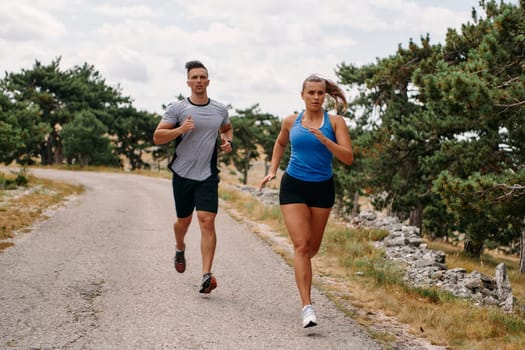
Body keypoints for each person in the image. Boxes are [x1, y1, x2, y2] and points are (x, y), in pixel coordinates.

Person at [259, 74, 353, 328]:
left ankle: (303, 277)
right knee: (301, 246)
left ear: (325, 96)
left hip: (322, 188)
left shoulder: (335, 123)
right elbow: (280, 143)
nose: (315, 97)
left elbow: (348, 158)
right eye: (311, 93)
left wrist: (325, 140)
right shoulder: (291, 121)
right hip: (294, 185)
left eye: (320, 93)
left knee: (312, 248)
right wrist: (272, 170)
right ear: (302, 95)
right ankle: (307, 307)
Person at [153, 60, 233, 294]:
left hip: (207, 174)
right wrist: (180, 130)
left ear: (208, 81)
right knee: (183, 222)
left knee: (207, 221)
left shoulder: (219, 109)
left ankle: (206, 275)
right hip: (182, 174)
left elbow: (227, 128)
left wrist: (228, 141)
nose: (199, 81)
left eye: (202, 77)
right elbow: (158, 136)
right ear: (188, 82)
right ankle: (180, 247)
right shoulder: (177, 109)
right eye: (194, 77)